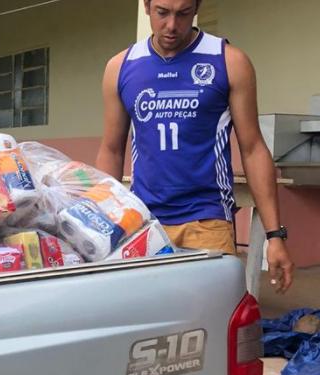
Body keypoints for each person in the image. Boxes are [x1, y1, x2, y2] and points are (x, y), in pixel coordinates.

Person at [95, 0, 294, 293]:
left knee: (209, 322)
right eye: (162, 13)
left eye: (183, 13)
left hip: (207, 220)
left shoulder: (228, 61)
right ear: (147, 6)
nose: (172, 25)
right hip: (146, 223)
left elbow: (253, 148)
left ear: (197, 7)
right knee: (150, 321)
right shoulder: (121, 67)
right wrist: (102, 227)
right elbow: (112, 150)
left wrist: (274, 236)